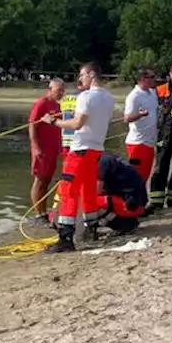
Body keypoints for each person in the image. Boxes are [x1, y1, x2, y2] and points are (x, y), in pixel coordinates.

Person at [40, 62, 115, 253]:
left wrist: (53, 121)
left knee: (68, 191)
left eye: (82, 75)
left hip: (81, 150)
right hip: (96, 150)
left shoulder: (86, 97)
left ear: (91, 74)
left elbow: (77, 124)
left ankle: (66, 237)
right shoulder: (108, 97)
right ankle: (91, 229)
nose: (80, 79)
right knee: (88, 190)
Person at [147, 63, 172, 212]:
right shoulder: (159, 91)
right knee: (160, 167)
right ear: (169, 75)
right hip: (163, 134)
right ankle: (156, 200)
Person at [27, 78, 65, 222]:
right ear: (50, 89)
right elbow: (32, 125)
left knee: (47, 181)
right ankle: (38, 213)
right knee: (39, 180)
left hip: (53, 149)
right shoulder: (42, 103)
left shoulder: (57, 105)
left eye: (62, 90)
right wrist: (36, 147)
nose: (61, 93)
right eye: (58, 90)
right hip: (41, 149)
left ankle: (43, 212)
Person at [97, 151, 148, 236]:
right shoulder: (109, 157)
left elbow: (97, 190)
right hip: (138, 203)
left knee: (92, 203)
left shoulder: (102, 163)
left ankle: (124, 225)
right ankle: (129, 221)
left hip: (131, 205)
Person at [122, 68, 159, 183]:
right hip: (137, 143)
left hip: (149, 142)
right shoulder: (134, 96)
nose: (155, 79)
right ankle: (133, 200)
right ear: (142, 79)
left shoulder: (152, 93)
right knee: (135, 177)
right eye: (152, 77)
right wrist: (139, 114)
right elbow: (127, 118)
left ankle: (140, 200)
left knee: (145, 177)